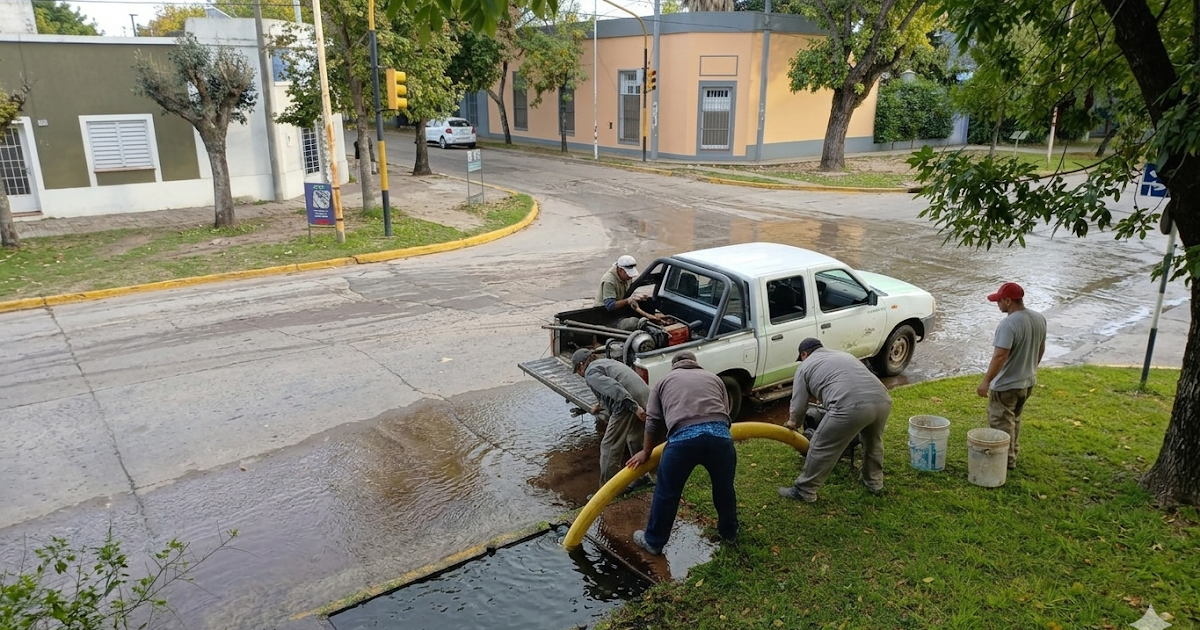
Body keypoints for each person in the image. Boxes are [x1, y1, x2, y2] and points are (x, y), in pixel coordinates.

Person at [626, 351, 737, 556]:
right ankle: (729, 533)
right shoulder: (714, 378)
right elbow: (725, 412)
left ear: (674, 366)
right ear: (695, 364)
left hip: (682, 441)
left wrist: (646, 451)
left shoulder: (663, 382)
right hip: (720, 439)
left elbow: (653, 421)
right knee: (724, 489)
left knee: (667, 493)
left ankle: (653, 542)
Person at [778, 338, 891, 503]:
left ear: (804, 354)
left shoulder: (805, 366)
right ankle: (874, 483)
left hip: (849, 406)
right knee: (873, 442)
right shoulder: (842, 355)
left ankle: (804, 490)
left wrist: (793, 423)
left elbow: (799, 403)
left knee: (820, 445)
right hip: (882, 400)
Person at [977, 282, 1046, 470]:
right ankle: (1012, 453)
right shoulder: (1039, 318)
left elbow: (1000, 355)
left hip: (1006, 385)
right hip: (1027, 381)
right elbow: (1041, 348)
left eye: (999, 301)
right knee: (1014, 420)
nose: (997, 304)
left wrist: (986, 382)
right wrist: (1030, 368)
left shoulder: (1008, 324)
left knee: (1001, 424)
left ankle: (1005, 462)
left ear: (1008, 301)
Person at [572, 348, 650, 489]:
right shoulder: (605, 362)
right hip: (643, 397)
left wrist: (634, 408)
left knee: (609, 446)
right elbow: (610, 388)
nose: (579, 374)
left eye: (577, 371)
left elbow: (615, 388)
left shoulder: (590, 372)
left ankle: (609, 490)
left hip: (627, 403)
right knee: (634, 439)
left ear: (582, 364)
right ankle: (643, 477)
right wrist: (599, 405)